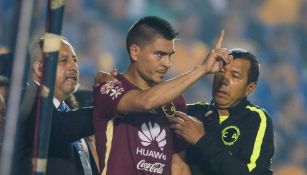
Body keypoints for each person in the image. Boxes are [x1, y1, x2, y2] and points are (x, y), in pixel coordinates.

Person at [93, 16, 232, 175]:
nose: (167, 63)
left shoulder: (175, 101)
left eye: (170, 55)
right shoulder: (108, 86)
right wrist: (202, 69)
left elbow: (177, 164)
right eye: (159, 54)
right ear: (135, 52)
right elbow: (145, 101)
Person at [169, 48, 274, 175]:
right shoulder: (192, 113)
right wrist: (201, 69)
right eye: (221, 72)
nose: (224, 80)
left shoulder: (255, 118)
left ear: (250, 88)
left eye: (234, 76)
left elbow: (249, 173)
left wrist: (202, 140)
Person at [16, 36, 99, 175]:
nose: (75, 67)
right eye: (63, 61)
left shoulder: (67, 112)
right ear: (40, 68)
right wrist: (109, 105)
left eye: (75, 60)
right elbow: (55, 128)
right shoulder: (25, 101)